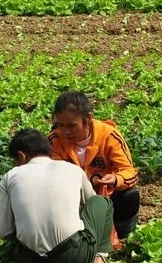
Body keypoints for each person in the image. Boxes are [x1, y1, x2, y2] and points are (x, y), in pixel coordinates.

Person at [0, 128, 127, 263]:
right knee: (100, 202)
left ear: (21, 156)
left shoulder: (10, 176)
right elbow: (91, 204)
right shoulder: (72, 169)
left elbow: (2, 231)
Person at [48, 90, 141, 241]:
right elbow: (52, 176)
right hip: (74, 201)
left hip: (106, 199)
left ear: (88, 119)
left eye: (72, 125)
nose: (65, 131)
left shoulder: (109, 135)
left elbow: (129, 171)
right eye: (60, 125)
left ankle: (123, 236)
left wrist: (116, 179)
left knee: (129, 196)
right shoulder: (55, 140)